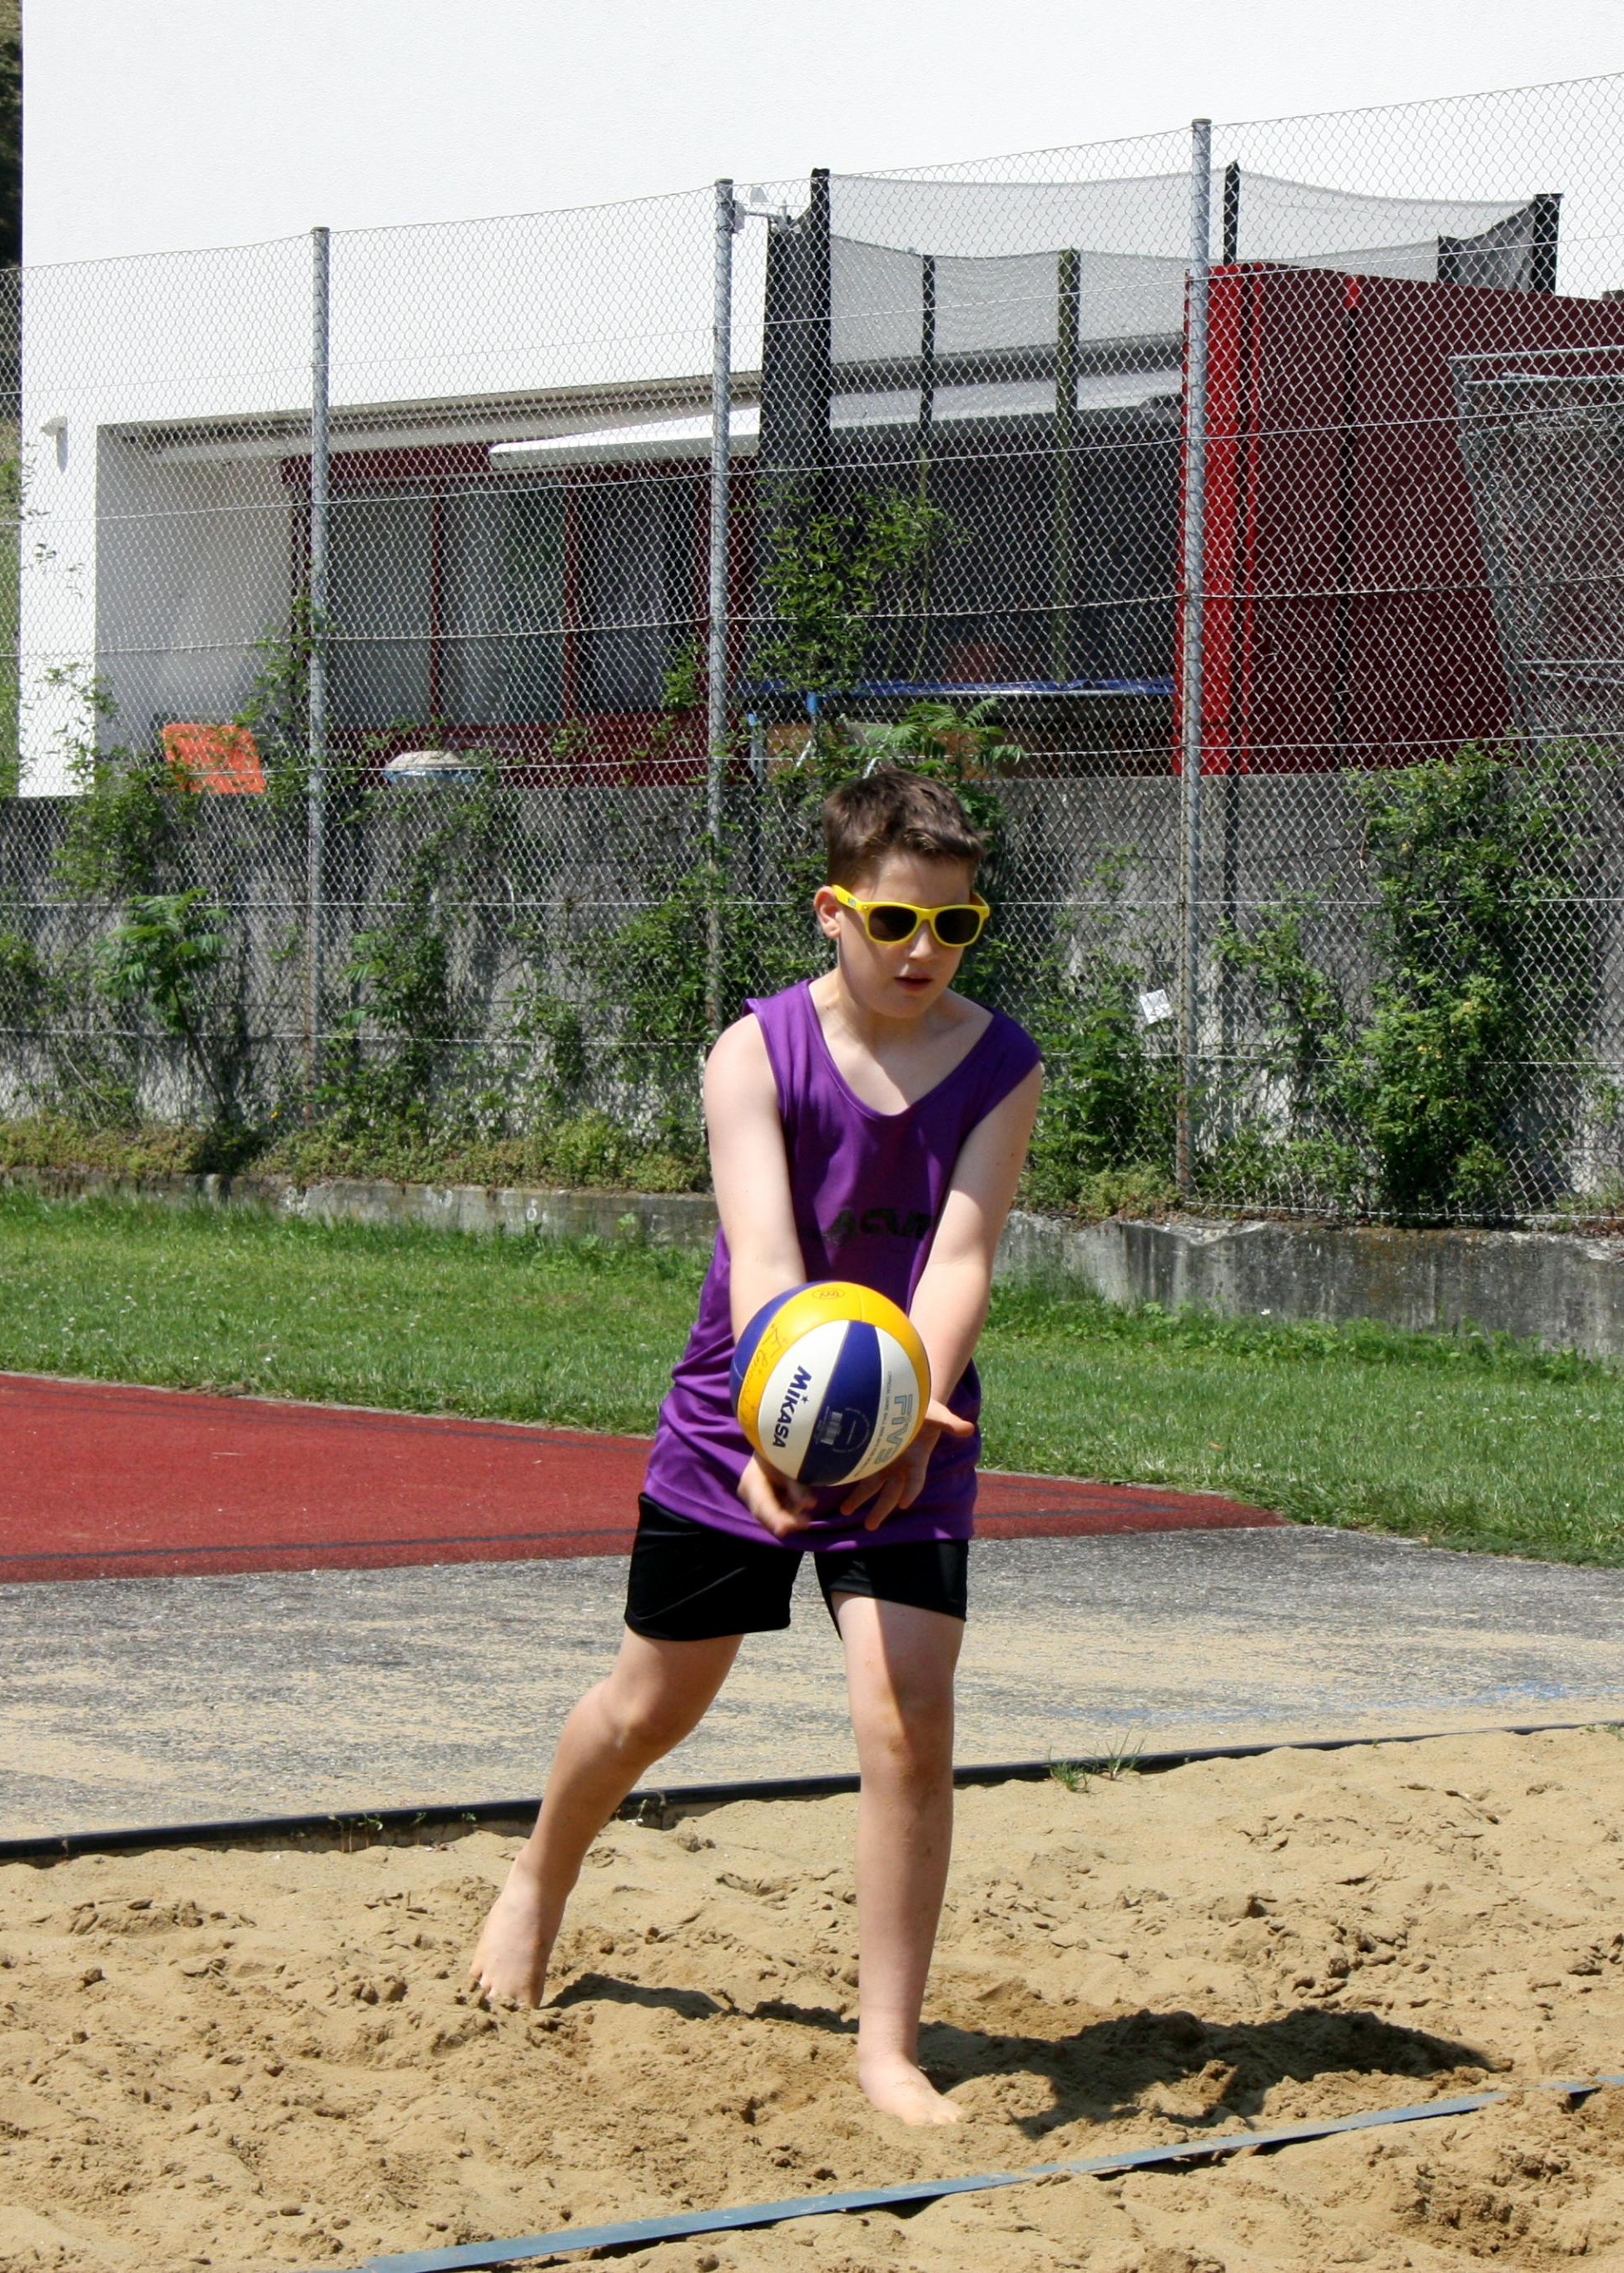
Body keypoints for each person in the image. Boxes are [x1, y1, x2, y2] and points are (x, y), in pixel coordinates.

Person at [469, 767, 1044, 2128]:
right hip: (746, 1408)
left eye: (954, 926)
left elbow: (961, 1258)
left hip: (911, 1413)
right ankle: (539, 1875)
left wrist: (910, 1412)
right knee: (650, 1707)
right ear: (833, 911)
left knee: (907, 1711)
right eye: (895, 921)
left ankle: (887, 2045)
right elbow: (767, 1264)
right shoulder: (752, 1052)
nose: (923, 949)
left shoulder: (1002, 1065)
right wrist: (771, 1430)